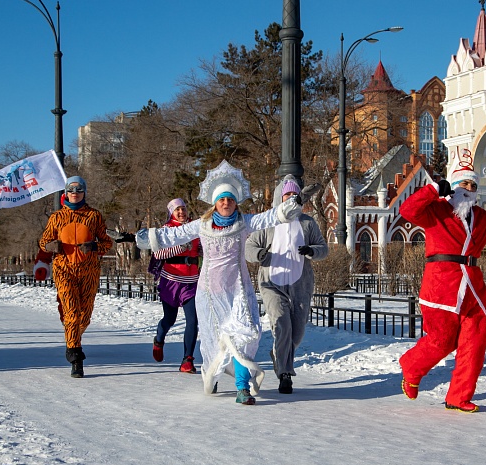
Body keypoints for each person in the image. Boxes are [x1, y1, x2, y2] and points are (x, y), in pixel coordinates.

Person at [116, 161, 302, 405]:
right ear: (215, 203)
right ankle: (211, 374)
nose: (226, 203)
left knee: (243, 336)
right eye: (222, 199)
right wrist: (135, 237)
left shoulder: (244, 222)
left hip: (238, 291)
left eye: (230, 199)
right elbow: (171, 234)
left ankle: (242, 387)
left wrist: (290, 205)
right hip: (210, 294)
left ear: (235, 202)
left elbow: (267, 218)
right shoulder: (202, 225)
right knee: (214, 341)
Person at [398, 149, 486, 413]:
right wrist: (432, 191)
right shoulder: (436, 211)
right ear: (453, 186)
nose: (469, 189)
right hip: (441, 285)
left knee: (474, 344)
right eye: (464, 184)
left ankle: (458, 397)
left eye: (473, 186)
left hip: (473, 287)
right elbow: (407, 210)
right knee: (442, 339)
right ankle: (412, 367)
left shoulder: (482, 218)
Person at [245, 176, 328, 394]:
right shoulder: (268, 221)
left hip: (301, 283)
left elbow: (323, 248)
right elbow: (249, 247)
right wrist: (260, 254)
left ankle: (278, 354)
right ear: (279, 198)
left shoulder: (307, 223)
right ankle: (285, 373)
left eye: (294, 194)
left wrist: (312, 251)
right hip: (272, 283)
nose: (291, 198)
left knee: (297, 332)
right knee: (282, 323)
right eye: (287, 194)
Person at [39, 176, 112, 378]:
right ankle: (75, 357)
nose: (75, 193)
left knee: (84, 317)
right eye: (71, 190)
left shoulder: (93, 216)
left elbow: (107, 242)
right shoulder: (57, 217)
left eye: (79, 190)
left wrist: (94, 246)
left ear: (84, 192)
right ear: (66, 193)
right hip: (64, 270)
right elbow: (44, 242)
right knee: (71, 312)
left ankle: (72, 335)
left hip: (89, 271)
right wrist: (51, 245)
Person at [149, 198, 202, 374]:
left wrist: (201, 251)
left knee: (193, 320)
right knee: (169, 319)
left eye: (183, 209)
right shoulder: (166, 230)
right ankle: (159, 339)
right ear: (171, 212)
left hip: (191, 281)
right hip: (171, 280)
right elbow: (159, 253)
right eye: (177, 210)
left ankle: (187, 359)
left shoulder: (194, 228)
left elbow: (202, 247)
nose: (181, 212)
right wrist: (181, 247)